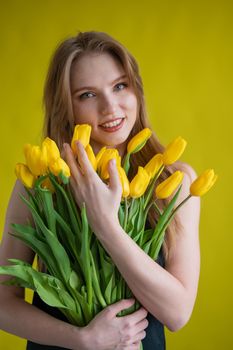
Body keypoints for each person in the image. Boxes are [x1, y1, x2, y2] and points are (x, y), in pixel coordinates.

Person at [0, 31, 200, 350]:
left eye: (120, 86)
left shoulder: (172, 181)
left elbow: (177, 313)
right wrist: (84, 339)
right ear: (66, 106)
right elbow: (2, 303)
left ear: (136, 90)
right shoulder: (41, 182)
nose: (110, 107)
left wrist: (105, 224)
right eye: (87, 95)